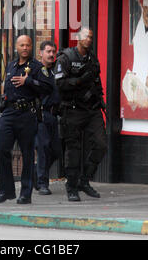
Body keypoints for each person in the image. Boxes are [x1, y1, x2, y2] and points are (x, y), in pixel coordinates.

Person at [0, 35, 53, 205]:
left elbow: (48, 87)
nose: (25, 48)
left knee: (27, 154)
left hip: (27, 114)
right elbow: (6, 85)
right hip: (9, 113)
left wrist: (29, 81)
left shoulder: (38, 67)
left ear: (31, 47)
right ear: (16, 47)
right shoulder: (11, 65)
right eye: (22, 45)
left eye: (28, 45)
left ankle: (25, 193)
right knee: (2, 150)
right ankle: (5, 191)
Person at [55, 27, 107, 202]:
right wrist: (79, 80)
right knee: (73, 150)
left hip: (92, 109)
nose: (89, 40)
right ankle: (71, 186)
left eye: (91, 37)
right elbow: (60, 84)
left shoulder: (92, 58)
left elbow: (97, 81)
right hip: (73, 109)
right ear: (78, 38)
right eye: (86, 37)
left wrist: (100, 99)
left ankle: (84, 181)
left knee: (101, 144)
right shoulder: (66, 57)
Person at [34, 41, 61, 195]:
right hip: (41, 114)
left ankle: (36, 173)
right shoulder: (36, 71)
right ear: (41, 53)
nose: (51, 54)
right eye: (48, 51)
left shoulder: (57, 71)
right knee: (43, 148)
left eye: (53, 52)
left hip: (53, 114)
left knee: (56, 151)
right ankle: (42, 183)